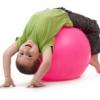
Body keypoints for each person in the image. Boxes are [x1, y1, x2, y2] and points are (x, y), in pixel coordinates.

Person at [0, 7, 100, 88]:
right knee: (93, 27)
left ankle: (87, 52)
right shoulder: (45, 44)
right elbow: (47, 61)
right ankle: (93, 57)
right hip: (64, 15)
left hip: (54, 10)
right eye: (29, 55)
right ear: (39, 56)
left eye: (21, 53)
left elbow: (6, 54)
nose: (26, 49)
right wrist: (36, 79)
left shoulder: (23, 39)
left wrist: (7, 77)